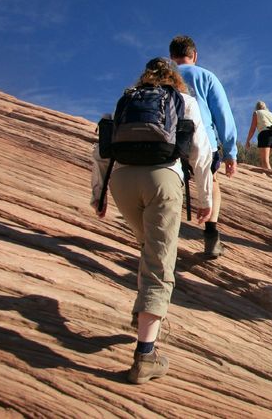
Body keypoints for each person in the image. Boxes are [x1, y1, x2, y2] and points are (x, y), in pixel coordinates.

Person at [91, 57, 213, 384]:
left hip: (122, 181)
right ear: (174, 78)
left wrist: (98, 195)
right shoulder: (183, 100)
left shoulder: (128, 98)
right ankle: (146, 355)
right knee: (160, 261)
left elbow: (101, 148)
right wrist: (206, 199)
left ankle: (140, 315)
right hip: (163, 179)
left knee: (148, 247)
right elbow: (200, 152)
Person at [169, 35, 238, 259]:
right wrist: (230, 152)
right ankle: (211, 240)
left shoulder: (164, 78)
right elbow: (222, 115)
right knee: (211, 182)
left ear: (172, 57)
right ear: (195, 55)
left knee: (171, 184)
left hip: (167, 141)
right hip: (203, 141)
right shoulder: (206, 76)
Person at [244, 101, 272, 169]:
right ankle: (264, 177)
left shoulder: (257, 113)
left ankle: (271, 178)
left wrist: (248, 140)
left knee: (265, 160)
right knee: (264, 160)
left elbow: (253, 128)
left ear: (256, 107)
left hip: (265, 135)